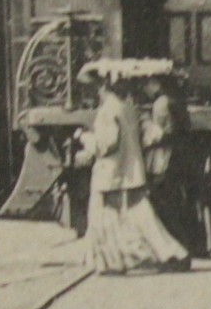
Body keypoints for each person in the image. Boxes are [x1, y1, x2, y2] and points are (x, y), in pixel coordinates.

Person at [77, 60, 191, 275]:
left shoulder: (107, 111)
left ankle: (113, 262)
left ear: (103, 87)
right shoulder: (128, 108)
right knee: (143, 217)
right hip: (131, 173)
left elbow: (106, 144)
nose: (95, 92)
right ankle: (172, 254)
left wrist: (83, 138)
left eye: (96, 87)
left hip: (111, 175)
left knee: (107, 218)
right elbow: (144, 133)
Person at [140, 70, 202, 256]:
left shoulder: (161, 104)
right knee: (176, 200)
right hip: (177, 156)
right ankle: (186, 243)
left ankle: (175, 246)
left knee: (164, 202)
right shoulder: (177, 101)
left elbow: (163, 132)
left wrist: (147, 129)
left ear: (157, 83)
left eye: (148, 83)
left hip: (163, 157)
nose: (146, 88)